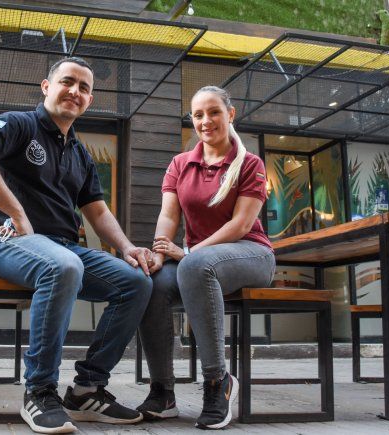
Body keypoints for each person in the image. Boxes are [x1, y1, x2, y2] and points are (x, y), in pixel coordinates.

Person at [0, 57, 153, 434]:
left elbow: (97, 210)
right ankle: (39, 390)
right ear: (47, 86)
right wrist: (16, 212)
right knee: (63, 266)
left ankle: (86, 390)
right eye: (67, 82)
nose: (74, 91)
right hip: (6, 242)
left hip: (64, 247)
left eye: (84, 88)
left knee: (137, 282)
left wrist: (127, 247)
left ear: (89, 100)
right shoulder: (19, 124)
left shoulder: (80, 154)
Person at [136, 86, 275, 430]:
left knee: (197, 266)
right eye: (198, 115)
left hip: (250, 254)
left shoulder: (250, 164)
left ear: (230, 114)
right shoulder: (180, 164)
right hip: (196, 262)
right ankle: (163, 391)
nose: (205, 121)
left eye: (214, 112)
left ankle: (217, 382)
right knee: (149, 283)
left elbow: (241, 225)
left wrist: (188, 253)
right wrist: (159, 254)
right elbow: (168, 216)